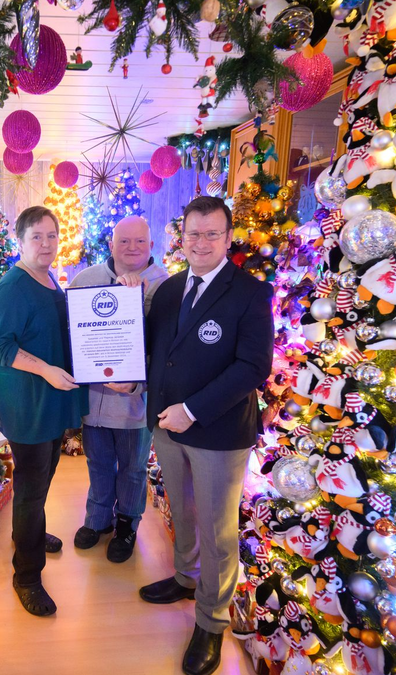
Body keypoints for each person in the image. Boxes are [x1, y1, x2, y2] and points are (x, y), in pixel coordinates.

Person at [138, 196, 275, 675]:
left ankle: (211, 621)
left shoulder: (251, 293)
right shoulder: (171, 289)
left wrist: (192, 410)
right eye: (193, 233)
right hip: (167, 427)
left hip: (217, 431)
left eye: (211, 233)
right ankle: (185, 576)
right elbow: (155, 352)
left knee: (219, 531)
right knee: (183, 508)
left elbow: (254, 367)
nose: (200, 242)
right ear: (182, 236)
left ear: (228, 236)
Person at [0, 205, 88, 617]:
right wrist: (46, 370)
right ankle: (26, 575)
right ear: (20, 242)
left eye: (51, 236)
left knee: (42, 478)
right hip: (26, 402)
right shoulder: (14, 285)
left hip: (49, 399)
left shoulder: (48, 278)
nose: (46, 244)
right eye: (36, 237)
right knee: (30, 488)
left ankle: (27, 533)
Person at [67, 215, 169, 562]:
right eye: (123, 241)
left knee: (133, 468)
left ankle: (127, 524)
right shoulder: (86, 280)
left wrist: (138, 383)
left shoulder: (165, 285)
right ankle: (97, 520)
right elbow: (73, 335)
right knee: (97, 463)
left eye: (140, 241)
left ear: (151, 245)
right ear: (111, 244)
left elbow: (168, 350)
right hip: (94, 400)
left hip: (136, 403)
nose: (131, 248)